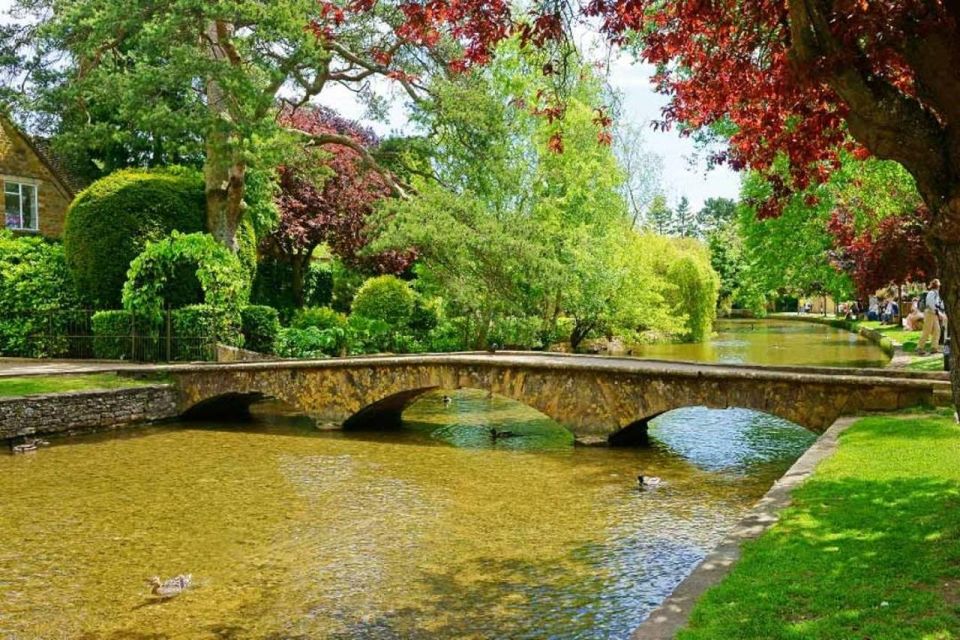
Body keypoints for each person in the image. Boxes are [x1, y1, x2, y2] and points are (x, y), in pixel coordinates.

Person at [917, 279, 943, 355]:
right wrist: (938, 312)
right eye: (939, 285)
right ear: (937, 285)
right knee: (927, 331)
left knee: (937, 330)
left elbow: (938, 304)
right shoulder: (931, 293)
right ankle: (919, 348)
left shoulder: (936, 293)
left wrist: (939, 312)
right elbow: (931, 304)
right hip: (929, 313)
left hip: (934, 314)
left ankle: (934, 348)